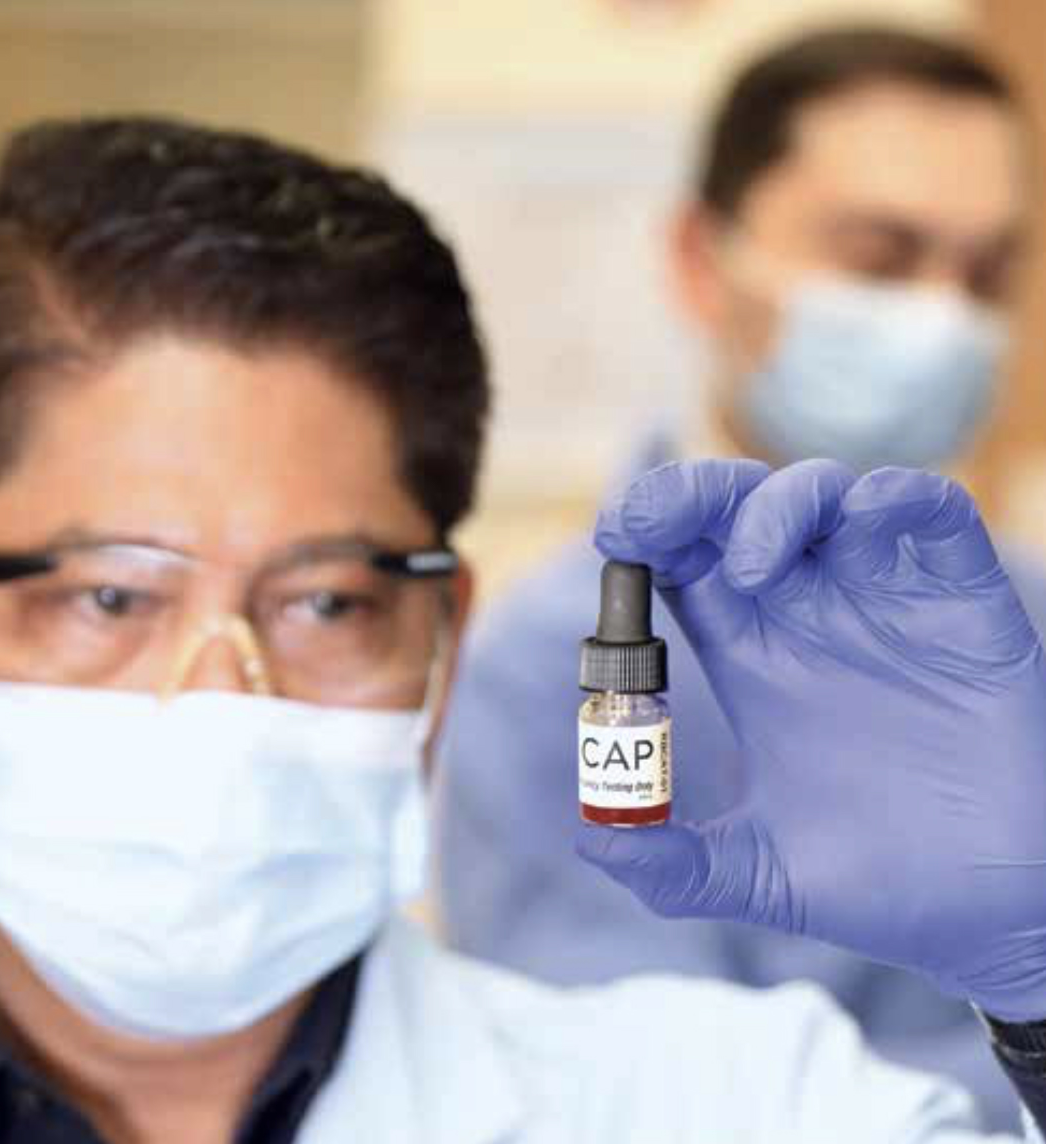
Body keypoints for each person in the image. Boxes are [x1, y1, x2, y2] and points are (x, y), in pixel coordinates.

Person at [0, 113, 1046, 1144]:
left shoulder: (732, 1102)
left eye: (326, 603)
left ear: (440, 644)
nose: (224, 697)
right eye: (110, 597)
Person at [435, 25, 1042, 1129]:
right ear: (699, 260)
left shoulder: (1025, 627)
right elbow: (649, 1100)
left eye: (987, 274)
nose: (943, 318)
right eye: (878, 258)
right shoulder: (547, 674)